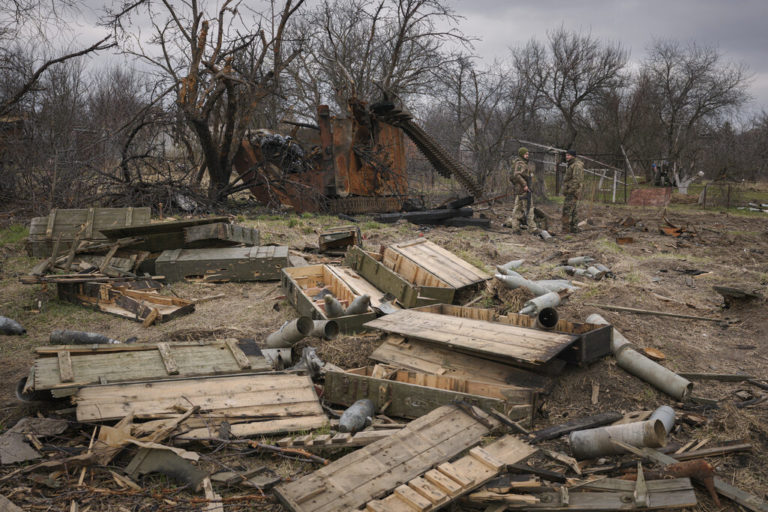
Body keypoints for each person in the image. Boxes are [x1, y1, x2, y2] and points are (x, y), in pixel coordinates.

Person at [504, 147, 537, 232]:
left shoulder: (521, 163)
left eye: (528, 154)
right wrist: (525, 185)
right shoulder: (520, 163)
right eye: (526, 154)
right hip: (524, 190)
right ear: (522, 154)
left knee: (517, 208)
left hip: (521, 190)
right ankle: (532, 228)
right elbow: (517, 175)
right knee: (529, 208)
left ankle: (515, 228)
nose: (527, 156)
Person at [561, 149, 584, 233]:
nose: (567, 157)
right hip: (571, 191)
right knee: (573, 210)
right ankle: (574, 228)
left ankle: (565, 229)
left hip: (572, 192)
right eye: (566, 155)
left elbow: (576, 180)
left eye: (568, 155)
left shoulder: (576, 165)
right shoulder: (571, 164)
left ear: (573, 156)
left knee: (566, 210)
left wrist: (570, 191)